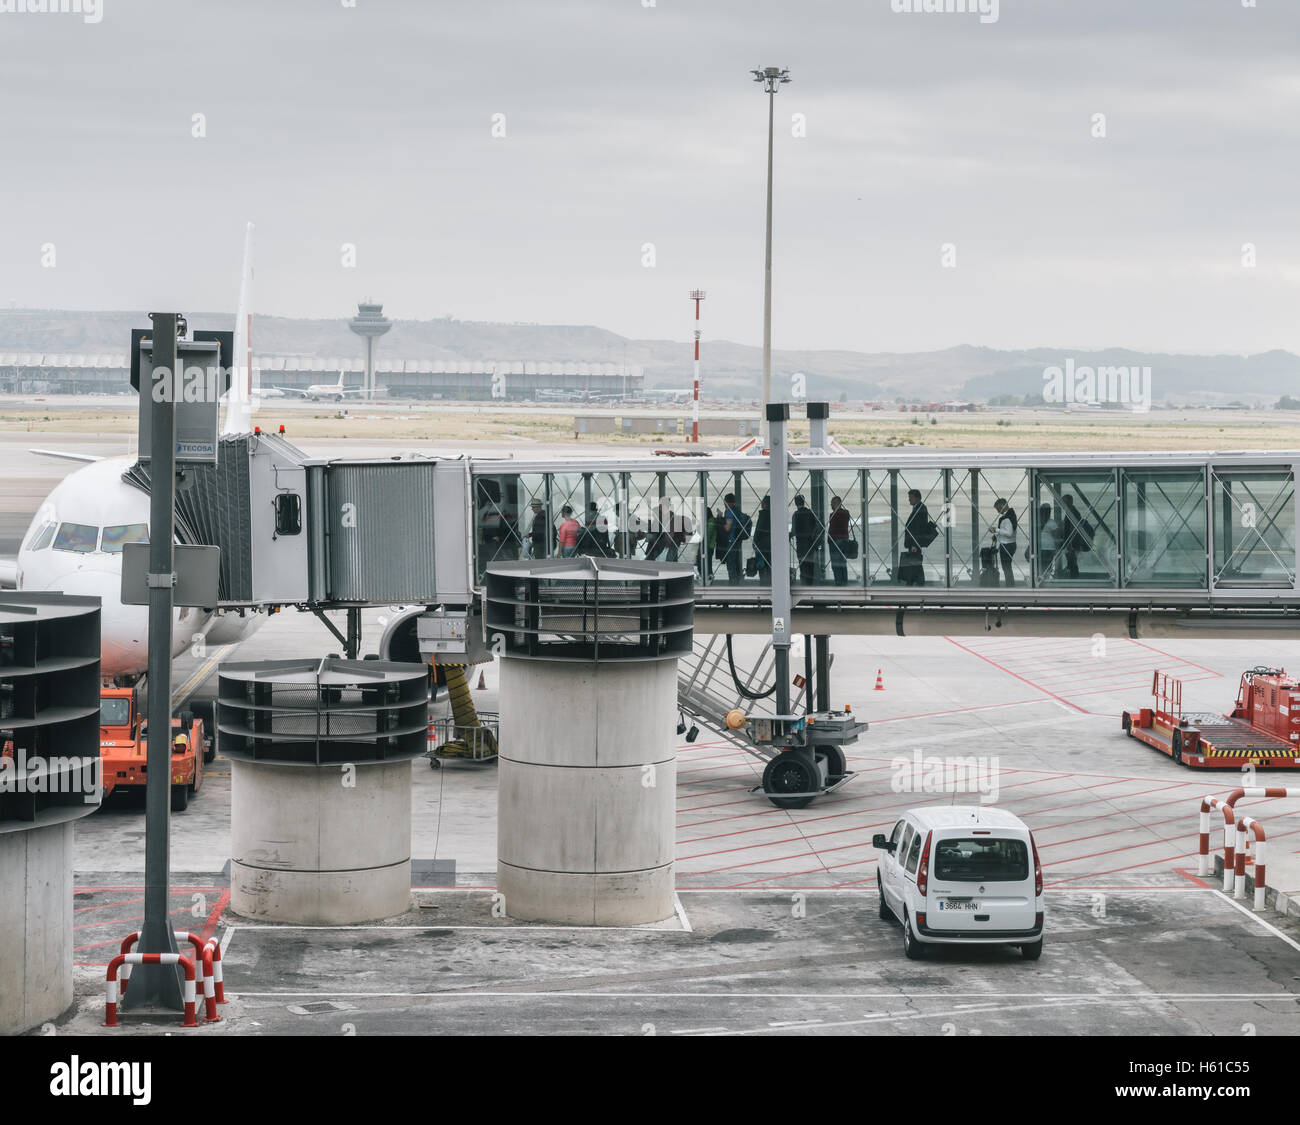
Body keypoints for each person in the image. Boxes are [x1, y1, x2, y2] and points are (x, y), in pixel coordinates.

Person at [899, 488, 932, 586]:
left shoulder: (920, 509)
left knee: (915, 561)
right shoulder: (918, 508)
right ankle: (915, 581)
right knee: (914, 560)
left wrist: (914, 543)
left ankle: (915, 581)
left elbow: (918, 528)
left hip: (915, 541)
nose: (909, 499)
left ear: (917, 498)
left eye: (911, 497)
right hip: (913, 541)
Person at [1060, 495, 1093, 579]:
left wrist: (1070, 543)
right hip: (1072, 541)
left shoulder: (1072, 512)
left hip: (1073, 541)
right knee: (1072, 560)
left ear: (1070, 502)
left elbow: (1073, 528)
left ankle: (1074, 577)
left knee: (1072, 559)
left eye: (1065, 502)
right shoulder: (1070, 511)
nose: (1063, 504)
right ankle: (1073, 575)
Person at [791, 493, 819, 584]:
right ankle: (810, 585)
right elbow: (817, 527)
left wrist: (789, 535)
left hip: (801, 545)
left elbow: (794, 531)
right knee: (811, 566)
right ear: (804, 501)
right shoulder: (810, 513)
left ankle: (805, 585)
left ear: (796, 503)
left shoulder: (796, 515)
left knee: (803, 566)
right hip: (810, 543)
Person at [722, 493, 748, 584]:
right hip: (738, 540)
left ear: (727, 502)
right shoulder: (737, 511)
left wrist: (720, 522)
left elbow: (728, 527)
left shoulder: (729, 511)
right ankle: (738, 578)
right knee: (737, 560)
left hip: (731, 540)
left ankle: (733, 580)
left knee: (731, 561)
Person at [993, 498, 1018, 587]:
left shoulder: (1007, 519)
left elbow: (1009, 533)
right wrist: (997, 534)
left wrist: (996, 530)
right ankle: (1010, 583)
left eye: (998, 509)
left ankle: (1010, 584)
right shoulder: (1011, 515)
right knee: (1007, 566)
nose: (998, 511)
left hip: (1007, 545)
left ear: (1002, 507)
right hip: (1011, 544)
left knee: (1006, 567)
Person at [828, 495, 852, 586]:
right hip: (844, 541)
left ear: (835, 504)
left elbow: (832, 527)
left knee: (836, 564)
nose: (831, 506)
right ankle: (844, 582)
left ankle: (839, 583)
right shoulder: (846, 513)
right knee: (842, 563)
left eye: (832, 504)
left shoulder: (832, 515)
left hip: (835, 541)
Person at [753, 496, 772, 584]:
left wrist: (754, 542)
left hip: (762, 545)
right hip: (772, 545)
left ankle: (764, 585)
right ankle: (771, 583)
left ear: (764, 504)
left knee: (762, 567)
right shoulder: (774, 514)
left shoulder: (763, 514)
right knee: (770, 567)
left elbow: (758, 529)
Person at [1037, 503, 1059, 579]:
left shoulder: (1037, 521)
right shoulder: (1052, 523)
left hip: (1040, 547)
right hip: (1050, 547)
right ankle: (1046, 581)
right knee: (1048, 567)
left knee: (1041, 567)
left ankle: (1042, 581)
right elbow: (1056, 536)